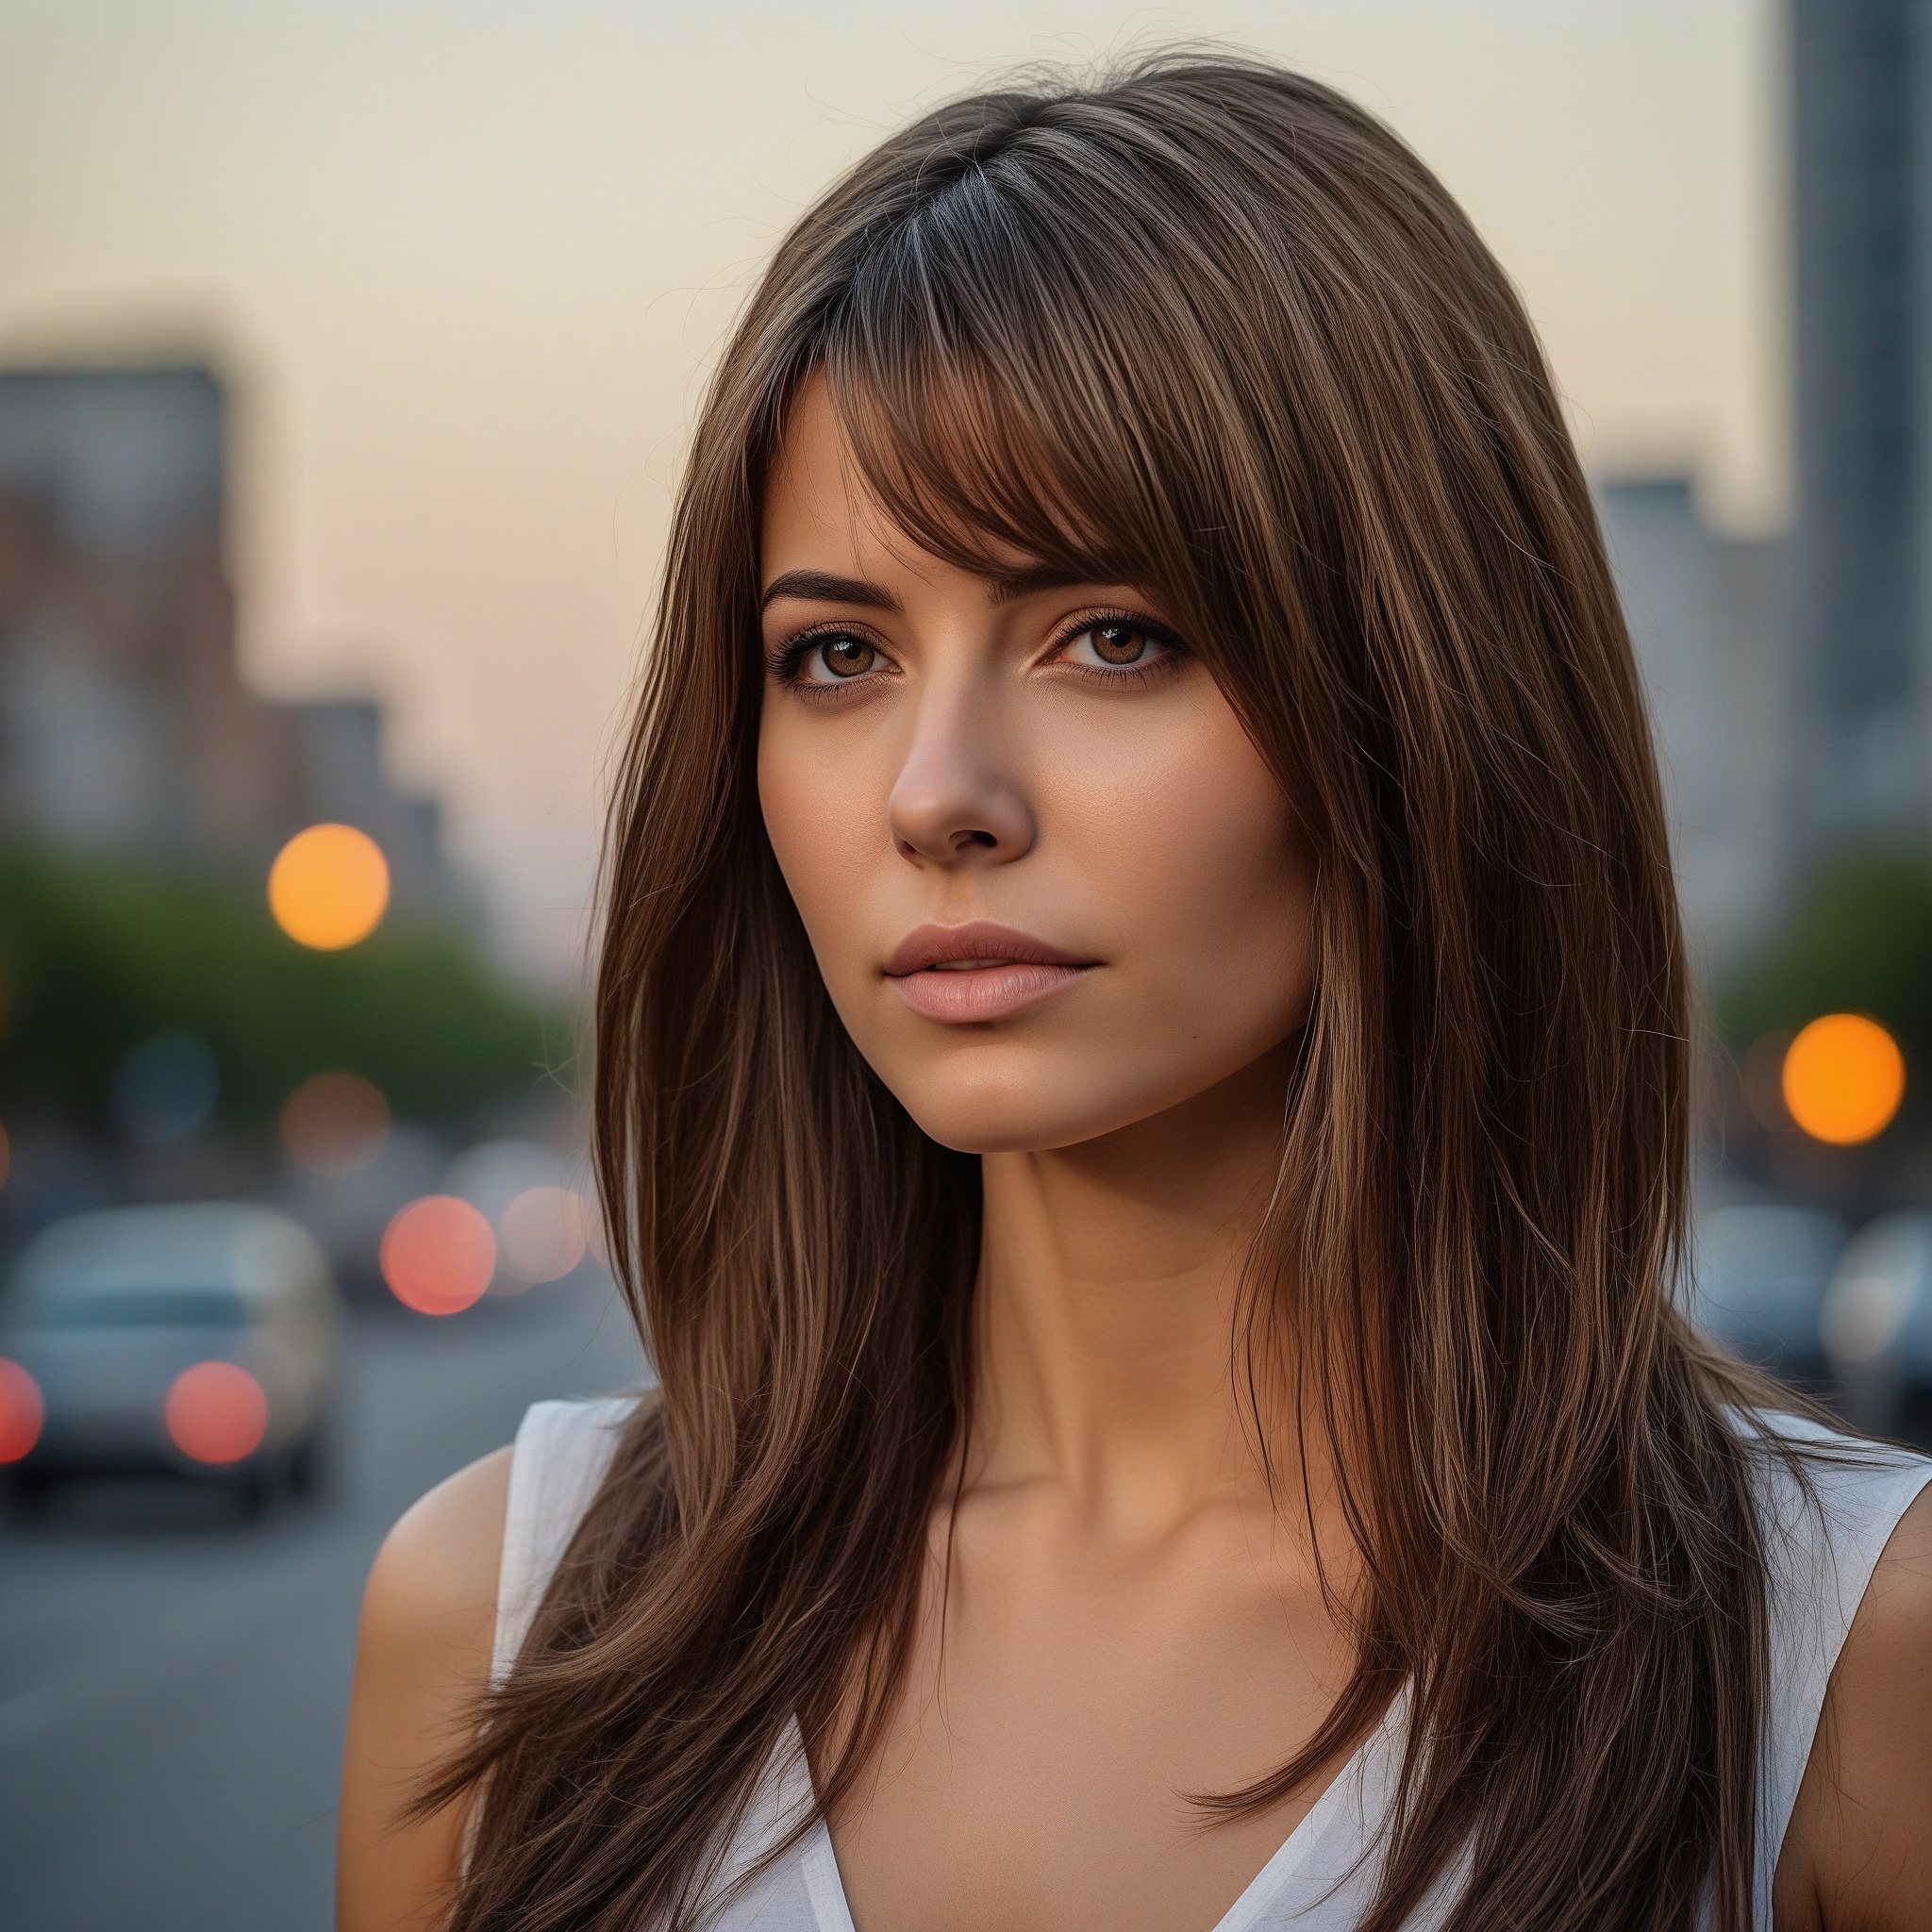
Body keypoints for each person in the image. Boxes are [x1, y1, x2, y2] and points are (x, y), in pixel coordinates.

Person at [337, 55, 1932, 1932]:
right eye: (837, 651)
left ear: (1422, 694)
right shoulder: (504, 1629)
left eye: (1112, 636)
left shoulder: (1845, 1660)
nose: (936, 792)